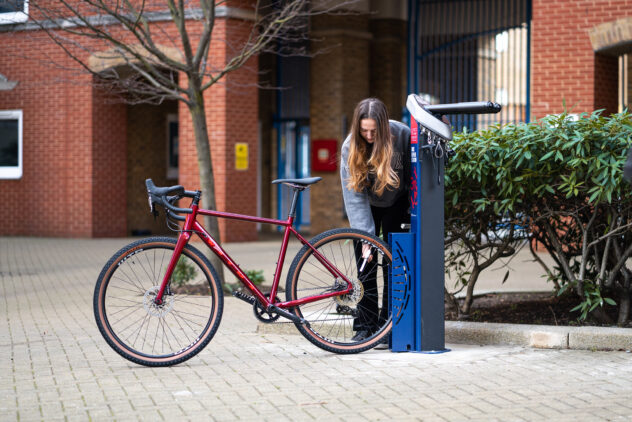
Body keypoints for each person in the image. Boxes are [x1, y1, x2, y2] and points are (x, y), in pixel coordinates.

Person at [340, 98, 411, 341]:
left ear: (382, 127)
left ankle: (389, 326)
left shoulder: (402, 135)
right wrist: (366, 237)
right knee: (365, 266)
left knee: (395, 264)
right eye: (364, 130)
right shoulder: (350, 146)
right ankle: (365, 326)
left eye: (373, 130)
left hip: (397, 202)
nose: (369, 135)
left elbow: (416, 176)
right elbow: (353, 196)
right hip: (366, 205)